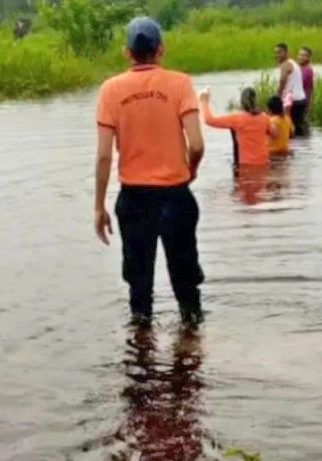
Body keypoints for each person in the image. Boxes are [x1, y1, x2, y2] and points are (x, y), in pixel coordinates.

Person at [94, 17, 206, 328]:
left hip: (134, 199)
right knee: (186, 285)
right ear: (161, 49)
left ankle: (140, 363)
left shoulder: (110, 90)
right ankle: (192, 354)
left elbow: (104, 156)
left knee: (139, 290)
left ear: (126, 52)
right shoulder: (180, 83)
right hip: (175, 195)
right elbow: (196, 144)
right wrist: (189, 171)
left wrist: (98, 206)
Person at [198, 87, 278, 169]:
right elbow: (275, 134)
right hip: (264, 163)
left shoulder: (237, 119)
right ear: (255, 101)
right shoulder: (264, 117)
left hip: (246, 165)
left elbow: (209, 120)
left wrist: (203, 101)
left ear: (242, 103)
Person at [274, 42, 309, 138]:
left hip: (293, 102)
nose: (277, 55)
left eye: (280, 53)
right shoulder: (293, 63)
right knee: (299, 129)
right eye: (276, 53)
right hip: (301, 100)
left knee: (290, 130)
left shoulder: (285, 65)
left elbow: (282, 80)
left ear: (286, 53)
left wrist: (277, 97)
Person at [298, 45, 315, 117]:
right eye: (300, 54)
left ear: (308, 58)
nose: (301, 57)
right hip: (299, 103)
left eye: (304, 55)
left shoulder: (307, 70)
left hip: (303, 104)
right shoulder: (299, 68)